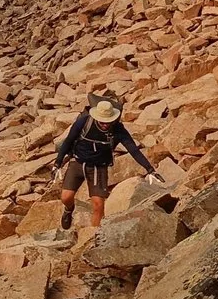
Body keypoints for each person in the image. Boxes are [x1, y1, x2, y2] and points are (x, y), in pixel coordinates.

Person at [52, 98, 153, 231]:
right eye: (103, 121)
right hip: (78, 162)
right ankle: (68, 209)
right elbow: (68, 141)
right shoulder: (84, 122)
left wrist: (150, 169)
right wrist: (58, 162)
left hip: (98, 167)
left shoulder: (117, 128)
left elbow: (132, 148)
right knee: (66, 197)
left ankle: (94, 237)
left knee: (98, 204)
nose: (106, 124)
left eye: (108, 121)